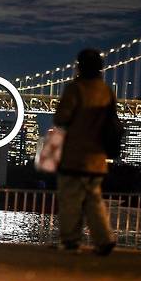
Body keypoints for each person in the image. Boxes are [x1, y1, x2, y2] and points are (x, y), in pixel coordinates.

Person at [53, 49, 117, 256]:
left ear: (80, 66)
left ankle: (70, 241)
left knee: (70, 199)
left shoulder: (76, 89)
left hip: (75, 157)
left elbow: (61, 118)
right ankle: (104, 240)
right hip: (97, 158)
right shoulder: (107, 91)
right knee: (94, 201)